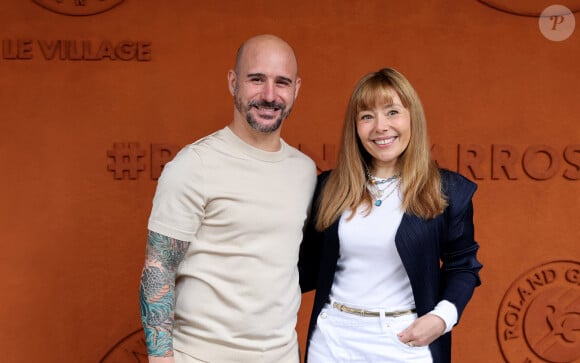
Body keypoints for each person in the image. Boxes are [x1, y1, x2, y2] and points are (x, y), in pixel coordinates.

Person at [139, 34, 317, 363]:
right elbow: (159, 270)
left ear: (296, 89)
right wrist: (161, 359)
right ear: (233, 82)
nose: (269, 95)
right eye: (256, 79)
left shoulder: (304, 172)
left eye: (282, 82)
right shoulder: (194, 165)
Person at [299, 68, 483, 363]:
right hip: (333, 338)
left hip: (404, 339)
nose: (380, 127)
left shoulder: (446, 190)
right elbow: (303, 268)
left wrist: (441, 318)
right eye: (367, 116)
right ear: (355, 127)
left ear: (412, 118)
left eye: (393, 112)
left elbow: (463, 266)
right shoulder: (330, 187)